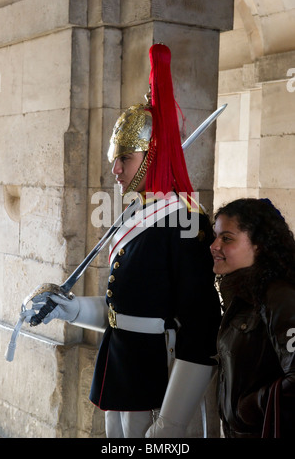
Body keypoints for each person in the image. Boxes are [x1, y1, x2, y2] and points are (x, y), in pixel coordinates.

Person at [24, 44, 221, 438]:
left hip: (158, 390)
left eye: (124, 159)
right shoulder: (137, 216)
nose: (114, 169)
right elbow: (127, 311)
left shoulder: (185, 220)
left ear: (150, 157)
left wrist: (171, 422)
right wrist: (71, 309)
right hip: (120, 371)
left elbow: (201, 331)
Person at [210, 197, 295, 438]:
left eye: (226, 238)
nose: (214, 245)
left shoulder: (279, 296)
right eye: (216, 236)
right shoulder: (244, 293)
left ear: (258, 245)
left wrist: (249, 409)